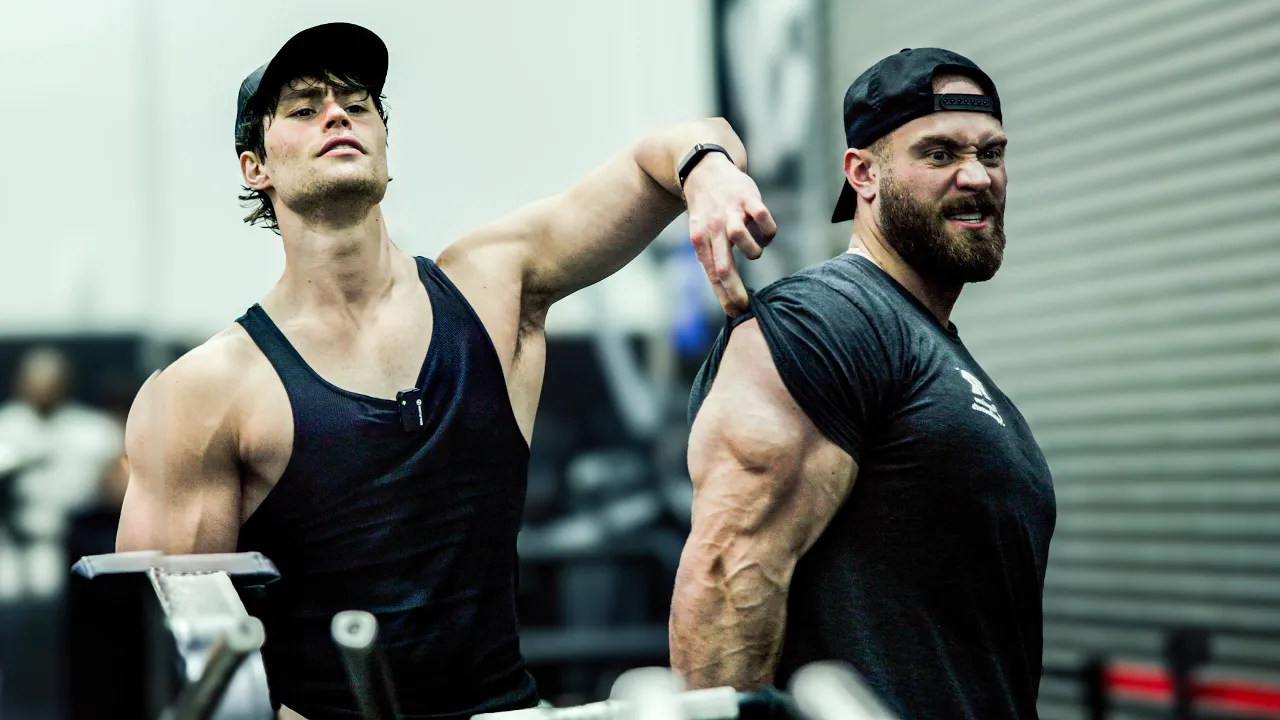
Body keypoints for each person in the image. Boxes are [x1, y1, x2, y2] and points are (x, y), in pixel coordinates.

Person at [113, 22, 775, 720]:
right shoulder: (203, 394)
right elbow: (168, 658)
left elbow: (686, 144)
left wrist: (708, 169)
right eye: (305, 108)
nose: (337, 116)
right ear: (256, 167)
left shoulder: (492, 288)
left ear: (383, 143)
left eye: (357, 104)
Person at [671, 48, 1057, 719]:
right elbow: (729, 574)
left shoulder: (926, 342)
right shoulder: (832, 318)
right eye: (939, 153)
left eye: (991, 153)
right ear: (863, 174)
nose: (977, 177)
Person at [0, 347, 123, 599]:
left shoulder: (93, 430)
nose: (43, 389)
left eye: (51, 381)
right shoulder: (6, 425)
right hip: (13, 542)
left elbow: (117, 483)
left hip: (79, 539)